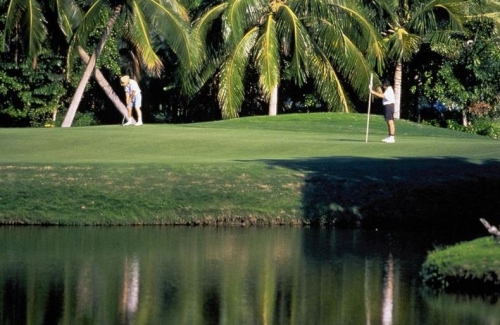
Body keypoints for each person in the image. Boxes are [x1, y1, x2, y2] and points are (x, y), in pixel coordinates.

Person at [370, 79, 395, 143]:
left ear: (385, 85)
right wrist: (378, 90)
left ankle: (392, 137)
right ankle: (390, 136)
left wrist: (373, 92)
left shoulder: (389, 90)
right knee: (388, 122)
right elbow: (382, 94)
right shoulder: (388, 90)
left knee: (390, 122)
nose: (382, 87)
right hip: (388, 106)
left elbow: (382, 96)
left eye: (383, 85)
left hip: (389, 106)